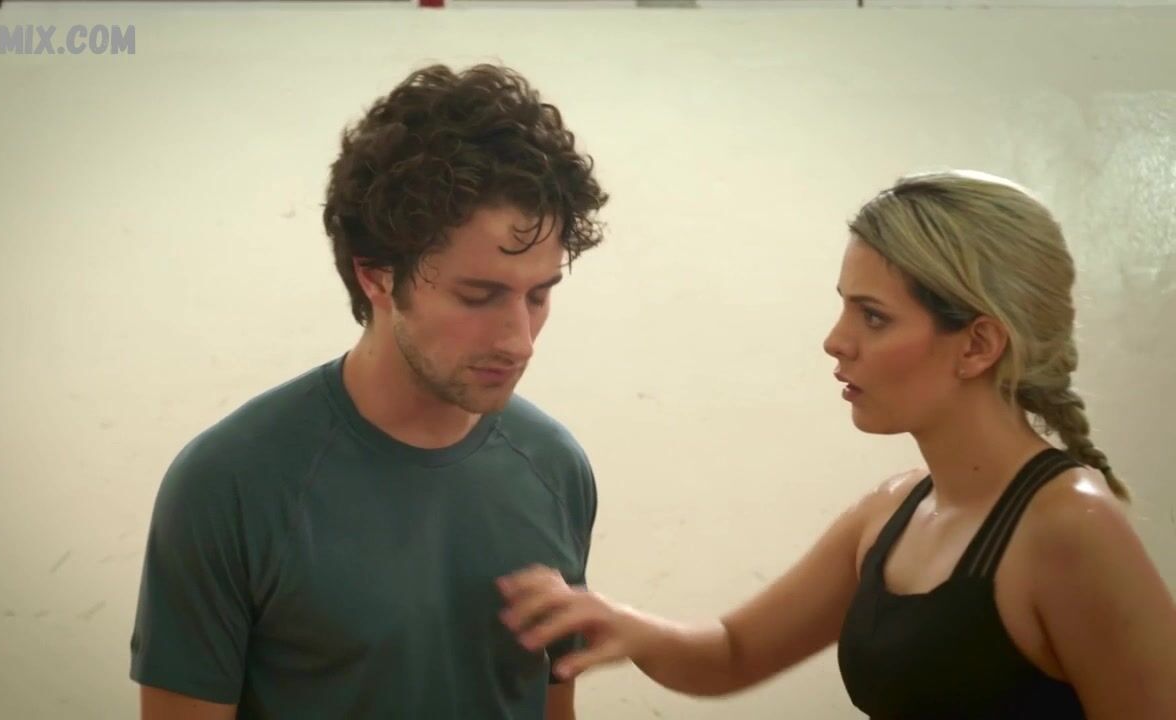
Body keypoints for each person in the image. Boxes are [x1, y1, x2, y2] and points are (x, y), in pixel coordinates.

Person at [497, 170, 1176, 719]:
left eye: (873, 316)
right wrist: (622, 625)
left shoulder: (1071, 527)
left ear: (977, 344)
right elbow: (733, 653)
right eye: (846, 306)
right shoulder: (893, 510)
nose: (835, 340)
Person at [129, 62, 609, 720]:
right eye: (479, 295)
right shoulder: (229, 485)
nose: (521, 341)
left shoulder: (556, 467)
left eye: (540, 295)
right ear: (377, 276)